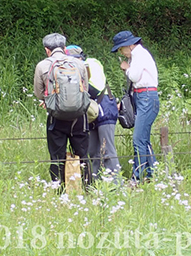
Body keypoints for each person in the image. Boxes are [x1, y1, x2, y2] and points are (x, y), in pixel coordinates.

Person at [33, 34, 91, 187]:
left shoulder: (42, 66)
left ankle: (59, 188)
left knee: (57, 156)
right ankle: (87, 188)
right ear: (65, 49)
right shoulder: (79, 64)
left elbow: (39, 94)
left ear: (47, 50)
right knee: (83, 154)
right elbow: (85, 89)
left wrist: (51, 100)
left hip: (56, 118)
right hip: (79, 117)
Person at [65, 45, 121, 181]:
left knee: (107, 150)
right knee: (93, 151)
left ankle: (117, 185)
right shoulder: (87, 65)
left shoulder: (91, 64)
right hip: (92, 112)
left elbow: (95, 89)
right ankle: (96, 183)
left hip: (104, 110)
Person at [111, 31, 159, 182]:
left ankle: (136, 178)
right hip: (141, 96)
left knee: (138, 139)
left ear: (129, 45)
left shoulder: (139, 54)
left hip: (146, 97)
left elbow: (134, 76)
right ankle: (152, 174)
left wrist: (126, 68)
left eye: (121, 49)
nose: (121, 53)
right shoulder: (138, 54)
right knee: (144, 139)